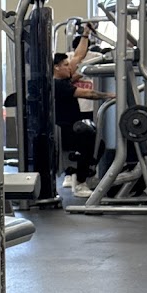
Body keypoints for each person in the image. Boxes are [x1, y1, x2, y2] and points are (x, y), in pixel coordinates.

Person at [53, 23, 114, 199]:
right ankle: (80, 183)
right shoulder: (58, 85)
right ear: (56, 67)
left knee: (95, 142)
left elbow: (79, 56)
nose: (70, 67)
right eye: (66, 65)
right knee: (94, 144)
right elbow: (88, 94)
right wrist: (109, 95)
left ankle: (75, 174)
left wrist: (85, 34)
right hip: (64, 129)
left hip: (72, 125)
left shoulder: (64, 78)